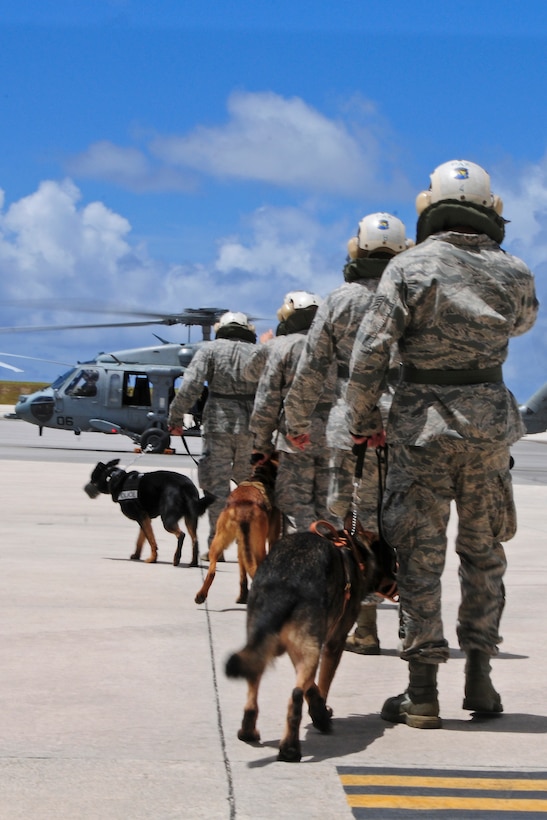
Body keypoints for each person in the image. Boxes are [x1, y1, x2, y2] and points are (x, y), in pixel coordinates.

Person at [346, 159, 538, 727]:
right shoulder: (515, 270)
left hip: (420, 430)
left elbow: (372, 350)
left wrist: (360, 417)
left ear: (429, 206)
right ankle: (480, 677)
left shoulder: (408, 266)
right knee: (484, 554)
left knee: (419, 556)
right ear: (490, 207)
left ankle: (422, 692)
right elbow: (523, 323)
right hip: (488, 431)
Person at [283, 213, 411, 654]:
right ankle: (413, 620)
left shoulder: (340, 300)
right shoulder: (413, 293)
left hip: (351, 429)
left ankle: (364, 625)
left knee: (351, 525)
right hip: (407, 427)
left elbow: (311, 368)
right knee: (406, 523)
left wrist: (296, 422)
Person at [168, 311, 259, 552]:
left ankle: (216, 544)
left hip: (218, 426)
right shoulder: (258, 353)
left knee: (216, 487)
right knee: (249, 485)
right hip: (251, 427)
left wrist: (176, 417)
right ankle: (248, 542)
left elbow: (190, 385)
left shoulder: (210, 350)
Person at [250, 290, 337, 532]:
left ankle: (305, 550)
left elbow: (267, 400)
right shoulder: (338, 346)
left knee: (297, 503)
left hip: (297, 436)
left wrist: (261, 445)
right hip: (334, 436)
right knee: (331, 504)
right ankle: (334, 549)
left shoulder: (283, 346)